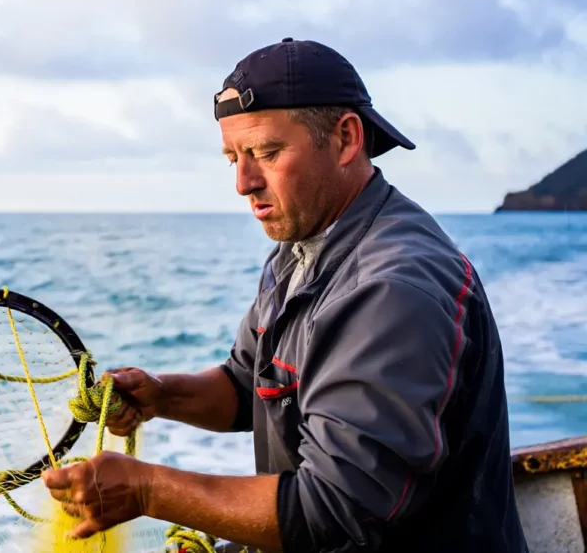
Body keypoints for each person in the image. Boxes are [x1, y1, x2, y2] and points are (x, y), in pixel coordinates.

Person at [41, 38, 529, 552]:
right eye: (233, 157)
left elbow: (339, 511)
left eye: (267, 153)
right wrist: (163, 395)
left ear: (345, 139)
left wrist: (147, 489)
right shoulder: (301, 246)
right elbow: (250, 385)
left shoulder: (392, 288)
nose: (243, 183)